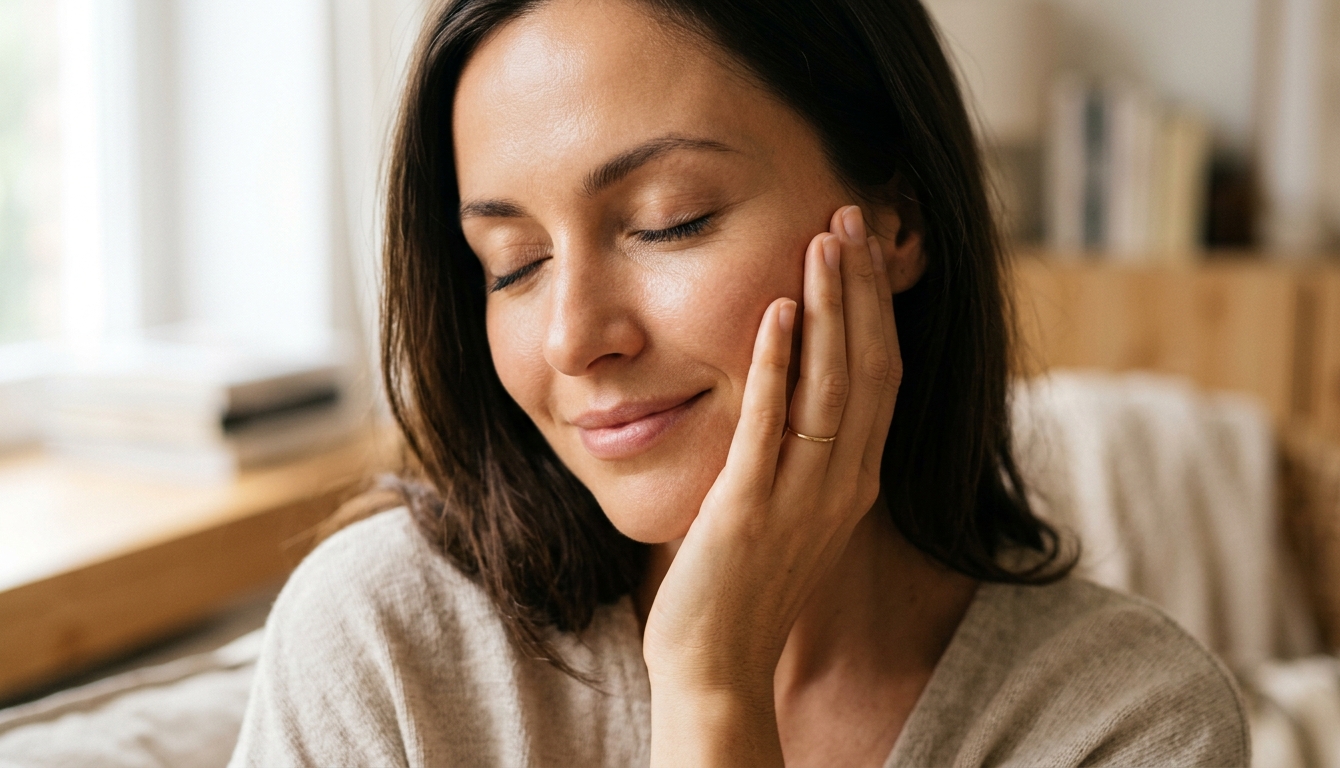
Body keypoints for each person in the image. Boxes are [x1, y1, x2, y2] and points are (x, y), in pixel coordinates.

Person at [230, 0, 1249, 765]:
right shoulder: (385, 645)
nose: (574, 339)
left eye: (668, 219)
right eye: (513, 264)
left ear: (895, 221)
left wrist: (713, 687)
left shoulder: (1122, 725)